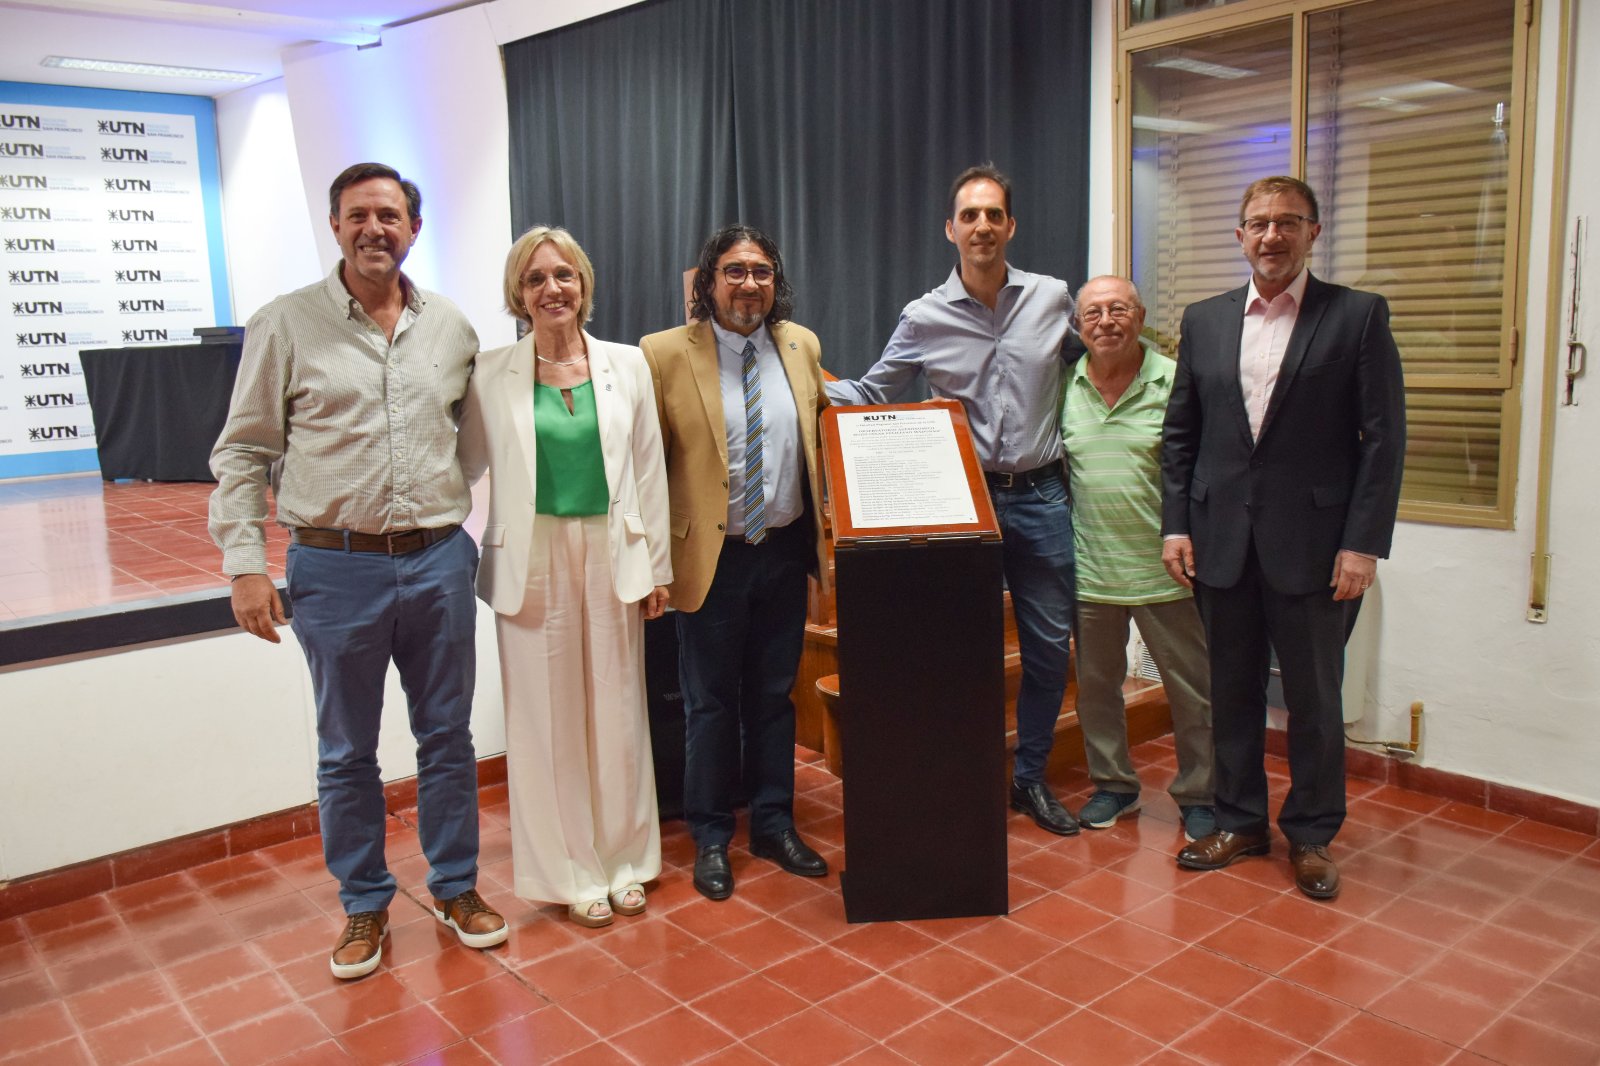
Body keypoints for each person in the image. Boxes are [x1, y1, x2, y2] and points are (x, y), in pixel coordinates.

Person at [209, 162, 506, 979]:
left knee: (448, 736)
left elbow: (471, 440)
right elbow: (243, 452)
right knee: (346, 750)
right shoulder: (286, 323)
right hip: (334, 569)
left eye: (389, 215)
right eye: (357, 215)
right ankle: (365, 905)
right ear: (334, 225)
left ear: (415, 228)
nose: (374, 228)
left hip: (439, 560)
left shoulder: (451, 327)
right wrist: (245, 565)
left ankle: (456, 888)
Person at [1161, 175, 1405, 900]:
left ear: (1312, 234)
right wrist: (1176, 523)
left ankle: (1311, 834)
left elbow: (1383, 441)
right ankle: (1239, 821)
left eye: (1288, 223)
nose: (1272, 236)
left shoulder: (1355, 316)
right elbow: (1182, 436)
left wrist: (1362, 545)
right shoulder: (1204, 320)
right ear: (1238, 235)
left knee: (1315, 701)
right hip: (1220, 543)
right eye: (1259, 223)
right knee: (1229, 693)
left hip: (1317, 549)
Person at [827, 164, 1082, 836]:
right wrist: (802, 376)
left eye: (994, 215)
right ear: (950, 229)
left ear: (1011, 226)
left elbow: (1095, 367)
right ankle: (969, 775)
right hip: (963, 504)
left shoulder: (1054, 299)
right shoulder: (924, 315)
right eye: (969, 216)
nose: (982, 227)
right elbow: (875, 390)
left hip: (1042, 496)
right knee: (966, 650)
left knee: (1050, 648)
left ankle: (1029, 779)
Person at [457, 226, 672, 928]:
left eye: (565, 276)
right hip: (532, 559)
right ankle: (571, 874)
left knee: (616, 713)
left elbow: (648, 470)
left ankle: (628, 862)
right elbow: (459, 471)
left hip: (614, 553)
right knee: (548, 724)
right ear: (517, 295)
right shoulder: (491, 374)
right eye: (535, 279)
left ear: (584, 285)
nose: (553, 289)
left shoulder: (627, 364)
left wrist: (658, 569)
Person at [640, 224, 831, 901]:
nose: (749, 284)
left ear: (776, 283)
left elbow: (819, 437)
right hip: (708, 560)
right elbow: (646, 466)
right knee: (710, 705)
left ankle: (775, 823)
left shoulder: (801, 346)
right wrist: (652, 563)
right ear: (708, 280)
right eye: (735, 271)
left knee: (775, 698)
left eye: (761, 272)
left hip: (781, 552)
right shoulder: (661, 353)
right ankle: (713, 835)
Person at [1061, 276, 1215, 840]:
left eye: (1118, 309)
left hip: (1168, 571)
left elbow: (1204, 474)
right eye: (1093, 312)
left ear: (1141, 316)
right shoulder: (1065, 386)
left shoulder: (1177, 383)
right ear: (1079, 326)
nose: (1106, 321)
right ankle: (1115, 786)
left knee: (1193, 692)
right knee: (1098, 689)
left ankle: (1201, 793)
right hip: (1091, 570)